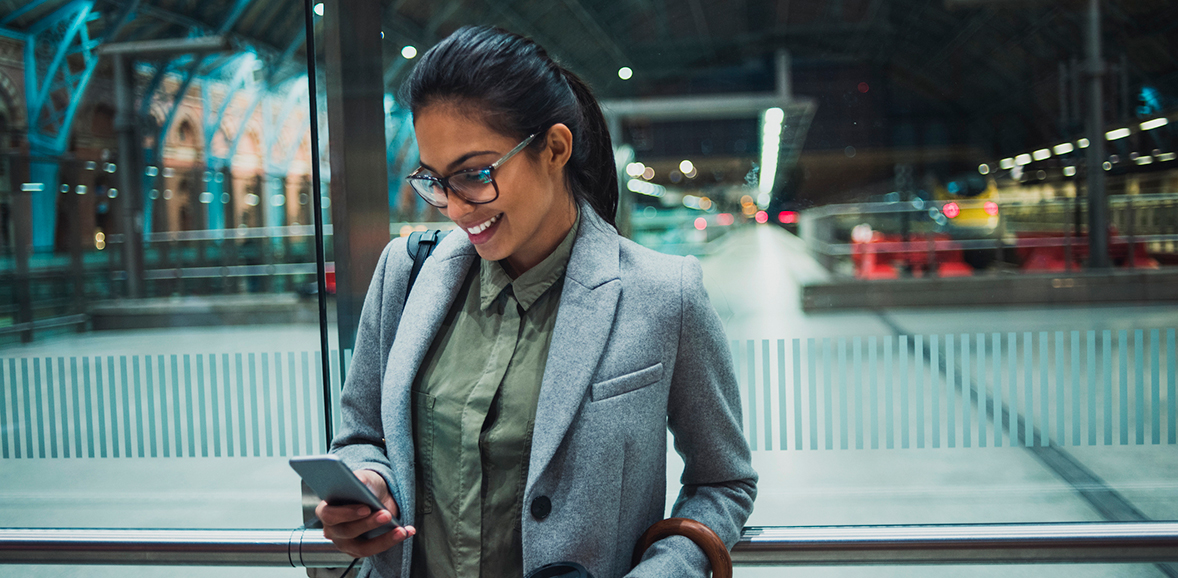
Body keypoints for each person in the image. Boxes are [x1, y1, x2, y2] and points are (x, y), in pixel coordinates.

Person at [317, 25, 756, 578]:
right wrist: (369, 485)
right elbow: (361, 437)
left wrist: (663, 572)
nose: (454, 207)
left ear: (554, 148)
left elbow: (724, 483)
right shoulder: (406, 274)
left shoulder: (664, 295)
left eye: (475, 174)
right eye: (435, 180)